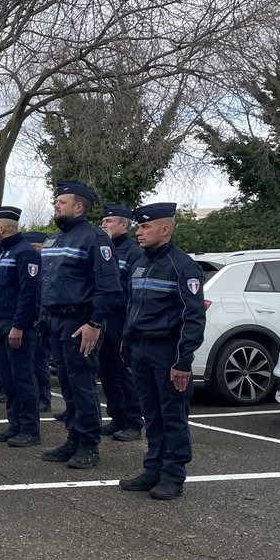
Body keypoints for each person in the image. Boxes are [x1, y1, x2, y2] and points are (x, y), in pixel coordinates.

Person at [119, 202, 206, 500]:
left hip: (167, 352)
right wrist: (127, 349)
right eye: (138, 227)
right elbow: (132, 309)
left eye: (145, 227)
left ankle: (173, 475)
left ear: (165, 229)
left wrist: (183, 361)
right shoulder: (140, 263)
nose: (138, 232)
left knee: (172, 416)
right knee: (151, 415)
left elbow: (193, 318)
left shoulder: (183, 267)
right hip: (141, 350)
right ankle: (153, 469)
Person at [39, 181, 121, 469]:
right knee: (68, 385)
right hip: (56, 321)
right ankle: (73, 438)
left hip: (80, 322)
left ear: (78, 206)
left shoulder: (94, 238)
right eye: (56, 202)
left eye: (62, 202)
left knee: (83, 384)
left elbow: (108, 286)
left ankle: (89, 444)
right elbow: (47, 284)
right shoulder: (55, 240)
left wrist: (94, 323)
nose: (56, 206)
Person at [0, 207, 43, 448]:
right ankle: (15, 423)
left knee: (22, 377)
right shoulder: (2, 253)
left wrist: (19, 325)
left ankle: (29, 428)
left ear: (1, 229)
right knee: (7, 378)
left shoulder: (25, 253)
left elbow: (29, 293)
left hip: (16, 325)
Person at [99, 204, 146, 442]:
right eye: (103, 221)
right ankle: (116, 416)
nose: (103, 225)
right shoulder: (103, 248)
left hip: (121, 317)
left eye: (108, 222)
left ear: (124, 225)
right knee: (107, 370)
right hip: (103, 317)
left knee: (125, 371)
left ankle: (133, 421)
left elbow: (133, 290)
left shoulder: (133, 252)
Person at [22, 231, 53, 411]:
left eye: (37, 248)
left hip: (42, 321)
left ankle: (44, 398)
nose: (34, 251)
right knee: (31, 363)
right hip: (33, 319)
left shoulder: (47, 268)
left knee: (40, 363)